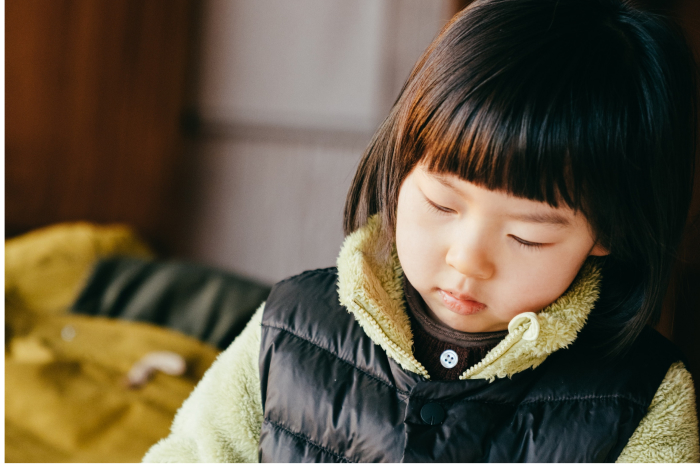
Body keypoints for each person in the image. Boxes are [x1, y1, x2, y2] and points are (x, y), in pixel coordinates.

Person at [144, 0, 700, 461]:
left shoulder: (644, 400)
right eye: (441, 204)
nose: (467, 259)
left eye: (527, 236)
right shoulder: (287, 329)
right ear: (400, 166)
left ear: (609, 231)